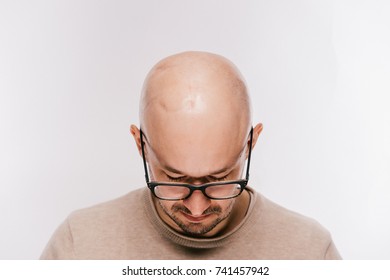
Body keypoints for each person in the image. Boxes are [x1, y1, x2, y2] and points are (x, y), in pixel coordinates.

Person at [40, 51, 341, 259]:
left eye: (220, 178)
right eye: (173, 178)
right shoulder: (78, 246)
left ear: (250, 144)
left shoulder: (310, 252)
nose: (197, 208)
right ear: (139, 144)